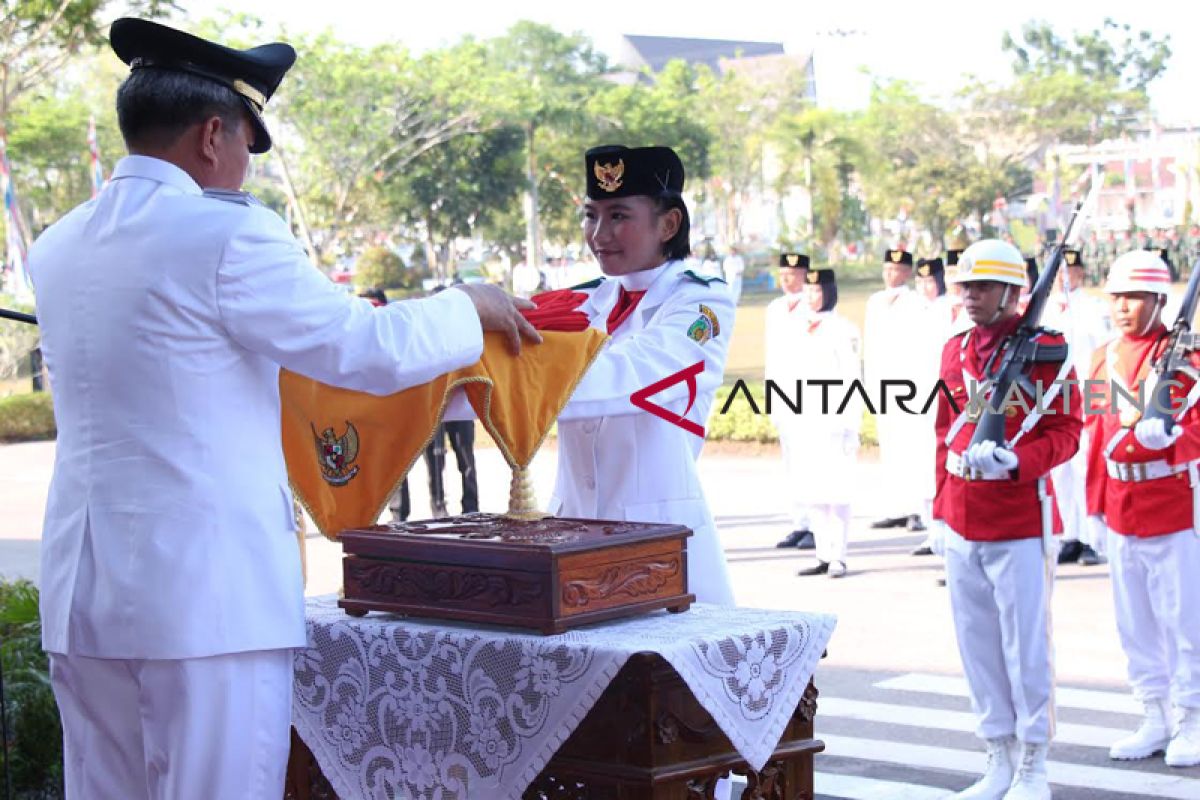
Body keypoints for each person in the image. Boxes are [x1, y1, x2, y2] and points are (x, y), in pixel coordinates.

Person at [29, 18, 538, 800]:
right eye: (245, 145)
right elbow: (361, 348)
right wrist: (467, 304)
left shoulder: (57, 244)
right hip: (206, 601)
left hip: (83, 596)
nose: (246, 170)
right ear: (210, 137)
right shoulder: (226, 235)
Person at [549, 144, 736, 606]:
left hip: (655, 544)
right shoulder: (581, 302)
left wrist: (526, 384)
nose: (598, 234)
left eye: (618, 216)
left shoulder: (702, 303)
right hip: (570, 529)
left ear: (668, 224)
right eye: (591, 215)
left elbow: (633, 373)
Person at [933, 239, 1081, 800]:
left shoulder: (1048, 351)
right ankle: (997, 754)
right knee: (977, 644)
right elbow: (943, 429)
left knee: (1026, 646)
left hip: (1019, 515)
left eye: (983, 287)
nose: (970, 296)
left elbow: (1066, 431)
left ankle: (1034, 764)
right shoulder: (956, 351)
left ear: (1015, 293)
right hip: (962, 514)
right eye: (965, 285)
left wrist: (1019, 459)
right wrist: (939, 507)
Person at [1084, 250, 1200, 767]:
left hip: (1171, 504)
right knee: (1135, 623)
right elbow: (1096, 434)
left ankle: (1192, 716)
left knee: (1184, 620)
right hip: (1120, 503)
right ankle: (1153, 713)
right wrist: (1092, 503)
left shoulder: (1187, 359)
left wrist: (1174, 439)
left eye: (1135, 297)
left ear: (1159, 300)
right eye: (1116, 296)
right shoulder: (1104, 356)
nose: (1123, 307)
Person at [787, 268, 862, 578]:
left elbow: (852, 378)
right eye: (808, 291)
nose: (811, 297)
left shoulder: (844, 329)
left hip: (835, 419)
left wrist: (850, 424)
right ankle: (822, 552)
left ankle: (839, 556)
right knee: (814, 490)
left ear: (829, 293)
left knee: (837, 492)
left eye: (817, 291)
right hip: (807, 420)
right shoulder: (798, 327)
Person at [1043, 250, 1111, 567]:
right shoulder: (1042, 308)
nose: (1063, 277)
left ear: (1081, 273)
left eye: (1070, 271)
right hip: (1052, 398)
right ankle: (1069, 534)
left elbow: (1104, 353)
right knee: (1060, 470)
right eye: (1058, 272)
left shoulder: (1094, 308)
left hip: (1086, 394)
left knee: (1084, 466)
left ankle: (1091, 538)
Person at [865, 248, 931, 532]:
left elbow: (920, 346)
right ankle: (896, 506)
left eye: (896, 270)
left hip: (910, 383)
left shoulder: (917, 302)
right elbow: (870, 344)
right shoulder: (875, 301)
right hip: (883, 382)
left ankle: (917, 509)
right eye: (886, 270)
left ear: (907, 273)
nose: (890, 275)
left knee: (913, 447)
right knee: (889, 446)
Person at [767, 252, 816, 551]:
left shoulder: (814, 308)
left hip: (808, 395)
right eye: (783, 273)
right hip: (783, 393)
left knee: (810, 461)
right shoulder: (774, 308)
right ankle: (799, 523)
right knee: (791, 463)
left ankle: (814, 525)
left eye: (793, 274)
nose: (786, 279)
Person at [911, 257, 953, 558]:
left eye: (931, 280)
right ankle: (932, 528)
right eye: (921, 281)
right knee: (925, 464)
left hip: (951, 395)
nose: (927, 287)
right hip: (921, 394)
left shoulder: (951, 311)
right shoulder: (915, 310)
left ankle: (950, 532)